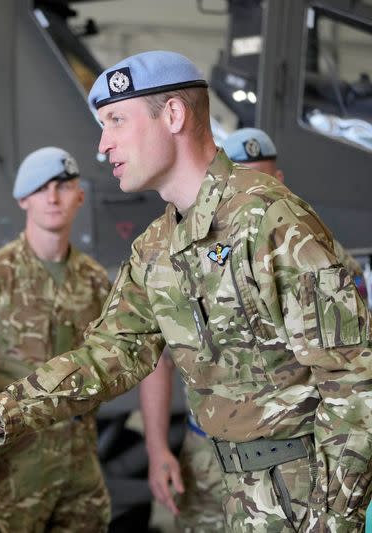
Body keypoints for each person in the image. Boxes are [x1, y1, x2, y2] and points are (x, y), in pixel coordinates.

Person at [0, 51, 372, 532]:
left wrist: (334, 519)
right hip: (229, 490)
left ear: (174, 116)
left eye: (117, 120)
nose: (103, 145)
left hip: (305, 498)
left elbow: (353, 386)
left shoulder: (272, 221)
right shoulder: (157, 247)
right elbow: (110, 354)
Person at [138, 126, 369, 532]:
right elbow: (157, 359)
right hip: (206, 449)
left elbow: (350, 369)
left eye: (259, 176)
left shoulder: (315, 253)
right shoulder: (180, 250)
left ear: (277, 181)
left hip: (291, 460)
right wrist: (157, 448)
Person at [0, 147, 112, 532]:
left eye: (63, 186)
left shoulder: (96, 281)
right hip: (14, 471)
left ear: (80, 195)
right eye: (40, 187)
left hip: (80, 470)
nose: (52, 197)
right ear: (22, 199)